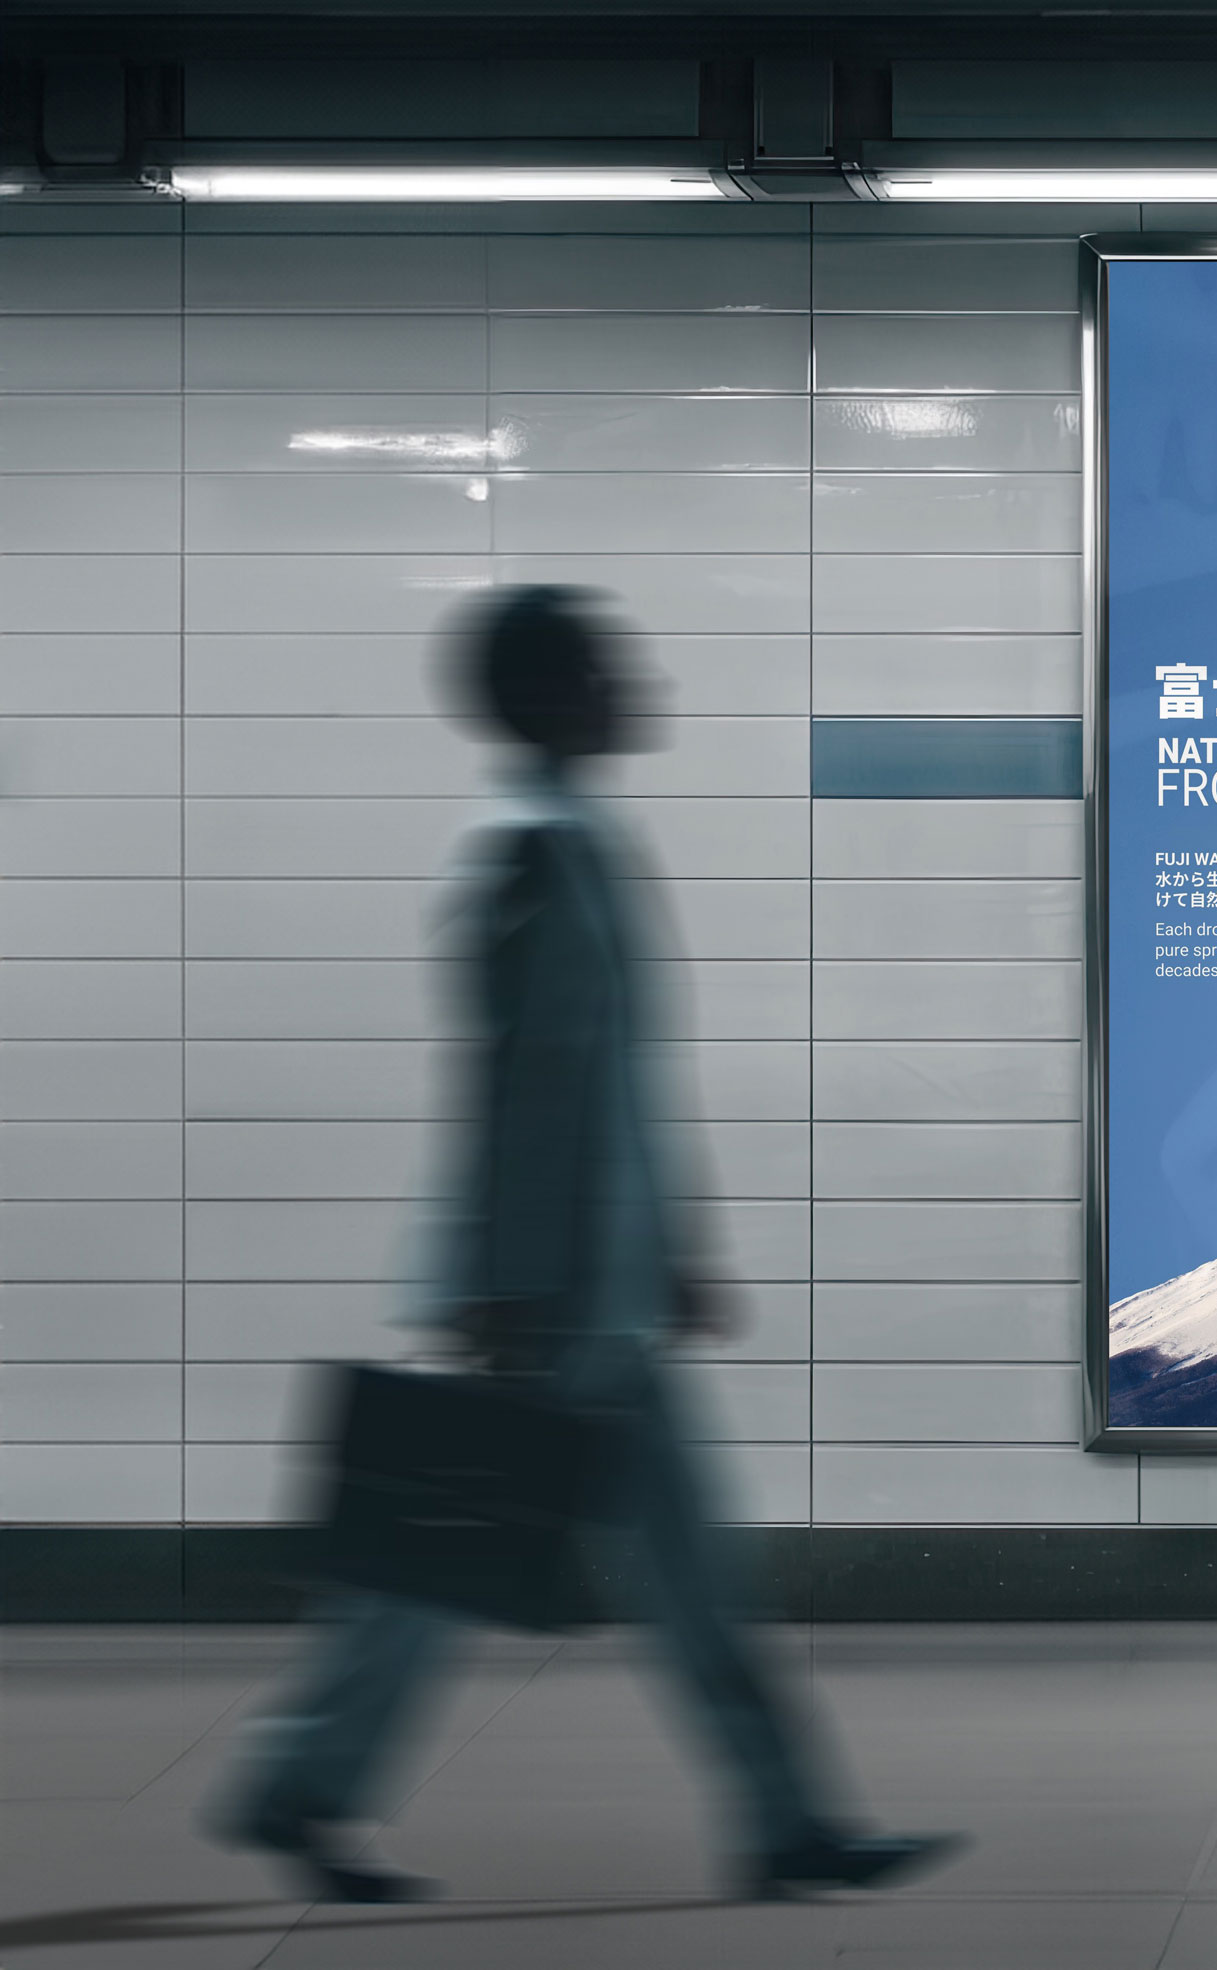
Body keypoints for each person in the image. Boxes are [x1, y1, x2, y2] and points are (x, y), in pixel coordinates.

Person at [215, 586, 959, 1902]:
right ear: (553, 694)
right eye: (614, 664)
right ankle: (298, 1786)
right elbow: (517, 1092)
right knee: (441, 1562)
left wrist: (671, 1249)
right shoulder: (530, 850)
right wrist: (509, 1289)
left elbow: (609, 1084)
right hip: (546, 1300)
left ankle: (787, 1819)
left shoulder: (576, 836)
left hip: (594, 1295)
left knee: (639, 1570)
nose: (640, 680)